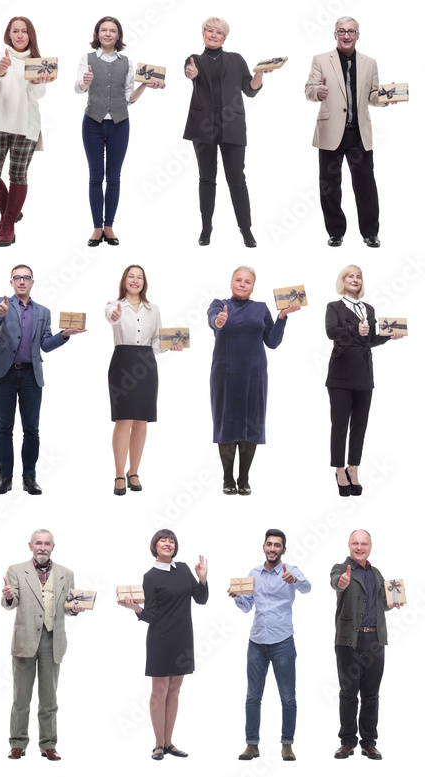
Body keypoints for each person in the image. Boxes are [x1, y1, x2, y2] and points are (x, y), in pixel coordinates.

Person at [0, 264, 85, 495]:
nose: (21, 281)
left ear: (32, 282)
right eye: (17, 278)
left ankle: (29, 478)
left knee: (32, 430)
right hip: (4, 374)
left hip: (31, 375)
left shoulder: (43, 312)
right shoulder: (2, 303)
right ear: (11, 282)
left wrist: (64, 335)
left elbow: (46, 345)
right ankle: (5, 478)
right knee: (4, 429)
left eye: (26, 278)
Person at [207, 266, 299, 495]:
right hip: (225, 375)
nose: (242, 284)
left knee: (252, 423)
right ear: (231, 282)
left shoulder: (261, 308)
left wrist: (282, 317)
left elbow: (273, 341)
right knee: (226, 424)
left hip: (254, 375)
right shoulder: (219, 304)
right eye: (238, 280)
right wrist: (219, 321)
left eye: (247, 281)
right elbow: (213, 321)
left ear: (253, 287)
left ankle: (244, 478)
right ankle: (228, 478)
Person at [118, 529, 208, 760]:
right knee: (159, 690)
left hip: (183, 637)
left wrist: (202, 578)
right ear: (154, 546)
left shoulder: (185, 569)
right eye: (162, 540)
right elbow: (152, 615)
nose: (167, 543)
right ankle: (158, 744)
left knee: (175, 690)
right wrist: (136, 609)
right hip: (160, 638)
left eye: (171, 541)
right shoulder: (150, 577)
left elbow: (201, 599)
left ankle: (169, 743)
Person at [183, 17, 274, 247]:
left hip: (232, 127)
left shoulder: (236, 59)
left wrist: (260, 73)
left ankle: (246, 230)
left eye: (219, 32)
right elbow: (190, 73)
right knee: (206, 178)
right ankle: (206, 227)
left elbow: (250, 90)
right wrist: (191, 72)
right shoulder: (194, 59)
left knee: (237, 179)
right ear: (203, 33)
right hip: (202, 127)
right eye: (209, 31)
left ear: (225, 37)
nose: (213, 35)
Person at [76, 16, 163, 247]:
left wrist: (143, 85)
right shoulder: (87, 58)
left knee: (113, 178)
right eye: (103, 30)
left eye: (112, 30)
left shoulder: (126, 61)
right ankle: (96, 228)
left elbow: (128, 98)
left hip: (119, 124)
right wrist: (85, 81)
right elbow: (78, 88)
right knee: (96, 177)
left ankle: (109, 226)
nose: (107, 34)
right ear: (97, 34)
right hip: (92, 123)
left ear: (118, 35)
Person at [305, 18, 391, 248]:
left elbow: (373, 95)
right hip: (330, 132)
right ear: (335, 34)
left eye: (351, 31)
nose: (346, 35)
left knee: (366, 185)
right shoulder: (321, 60)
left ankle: (370, 233)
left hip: (358, 134)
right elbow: (309, 89)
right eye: (341, 31)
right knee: (330, 186)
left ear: (358, 35)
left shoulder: (370, 62)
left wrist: (385, 98)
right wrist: (318, 91)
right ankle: (335, 232)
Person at [229, 530, 311, 762]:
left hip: (282, 641)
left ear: (284, 550)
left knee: (288, 698)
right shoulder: (253, 573)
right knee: (252, 697)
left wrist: (294, 580)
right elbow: (247, 606)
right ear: (263, 547)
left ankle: (287, 745)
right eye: (269, 544)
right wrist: (237, 596)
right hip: (256, 642)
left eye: (277, 545)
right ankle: (252, 745)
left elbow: (307, 588)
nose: (272, 549)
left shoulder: (290, 571)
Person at [2, 529, 80, 761]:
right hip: (25, 640)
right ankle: (18, 743)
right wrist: (7, 595)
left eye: (47, 544)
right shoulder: (16, 570)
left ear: (53, 547)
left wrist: (74, 609)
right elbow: (11, 602)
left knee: (49, 699)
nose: (42, 547)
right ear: (30, 546)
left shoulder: (66, 573)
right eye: (38, 543)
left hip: (53, 640)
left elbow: (69, 605)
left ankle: (48, 744)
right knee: (21, 698)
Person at [326, 265, 403, 496]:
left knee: (359, 425)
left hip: (363, 373)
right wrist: (353, 329)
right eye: (351, 276)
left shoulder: (368, 309)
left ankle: (353, 467)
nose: (355, 279)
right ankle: (339, 469)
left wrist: (389, 336)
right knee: (340, 425)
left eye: (358, 276)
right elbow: (331, 332)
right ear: (343, 280)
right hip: (340, 372)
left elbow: (369, 339)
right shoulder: (334, 306)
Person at [105, 264, 182, 496]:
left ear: (144, 282)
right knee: (123, 420)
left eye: (140, 277)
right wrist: (115, 315)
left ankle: (134, 471)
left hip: (147, 363)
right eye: (131, 276)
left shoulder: (153, 309)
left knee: (141, 421)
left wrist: (171, 345)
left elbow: (157, 342)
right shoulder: (113, 305)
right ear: (124, 280)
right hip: (122, 362)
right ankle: (119, 473)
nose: (135, 280)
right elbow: (111, 317)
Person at [0, 16, 54, 247]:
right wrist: (1, 69)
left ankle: (8, 225)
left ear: (30, 35)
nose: (20, 35)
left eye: (24, 31)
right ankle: (9, 214)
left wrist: (39, 82)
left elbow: (35, 97)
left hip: (25, 125)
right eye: (16, 31)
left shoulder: (38, 62)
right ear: (9, 34)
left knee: (18, 176)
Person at [330, 529, 402, 760]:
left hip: (375, 641)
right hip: (348, 641)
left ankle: (369, 742)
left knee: (371, 695)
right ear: (348, 545)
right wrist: (342, 582)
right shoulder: (341, 569)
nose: (359, 547)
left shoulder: (376, 573)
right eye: (355, 543)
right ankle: (347, 742)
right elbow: (336, 583)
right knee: (348, 693)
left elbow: (382, 604)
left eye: (364, 544)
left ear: (370, 546)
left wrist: (393, 602)